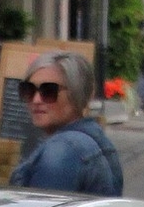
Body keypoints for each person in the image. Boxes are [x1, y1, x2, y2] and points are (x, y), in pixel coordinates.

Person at [8, 50, 122, 196]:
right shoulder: (97, 141)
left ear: (77, 93)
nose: (36, 100)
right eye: (28, 90)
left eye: (48, 91)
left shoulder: (62, 151)